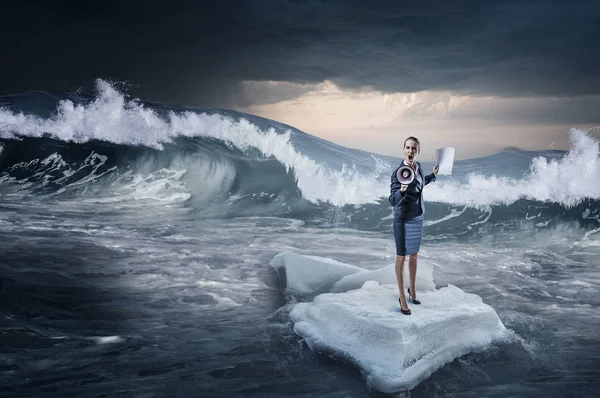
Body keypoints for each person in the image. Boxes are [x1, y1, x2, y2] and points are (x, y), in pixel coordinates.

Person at [389, 136, 439, 315]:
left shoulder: (418, 168)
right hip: (402, 219)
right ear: (404, 149)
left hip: (417, 217)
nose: (411, 151)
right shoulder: (398, 172)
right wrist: (401, 190)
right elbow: (392, 201)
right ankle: (402, 296)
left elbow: (420, 183)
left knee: (414, 256)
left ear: (418, 152)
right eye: (408, 148)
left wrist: (433, 175)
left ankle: (413, 290)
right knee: (401, 258)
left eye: (414, 149)